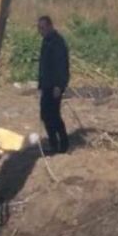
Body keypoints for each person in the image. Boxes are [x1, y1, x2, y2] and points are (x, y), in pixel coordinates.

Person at [36, 15, 70, 154]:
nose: (40, 30)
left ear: (50, 26)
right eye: (39, 28)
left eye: (43, 27)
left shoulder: (57, 42)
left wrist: (59, 86)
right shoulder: (46, 41)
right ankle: (54, 143)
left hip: (54, 86)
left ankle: (62, 144)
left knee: (53, 115)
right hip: (47, 85)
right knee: (46, 115)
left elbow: (61, 66)